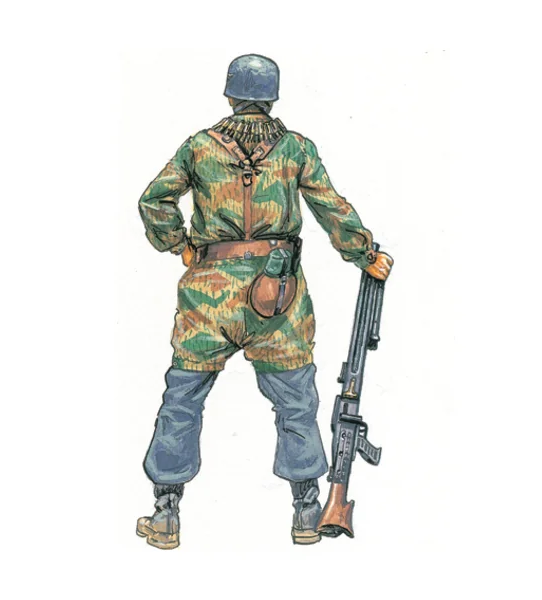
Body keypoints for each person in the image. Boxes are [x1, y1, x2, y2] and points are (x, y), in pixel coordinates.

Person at [136, 54, 393, 549]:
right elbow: (330, 207)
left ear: (230, 95)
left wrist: (178, 244)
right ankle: (307, 511)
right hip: (279, 295)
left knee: (183, 399)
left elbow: (154, 200)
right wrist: (365, 254)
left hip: (208, 297)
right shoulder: (296, 148)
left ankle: (165, 514)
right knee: (295, 401)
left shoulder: (199, 147)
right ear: (272, 98)